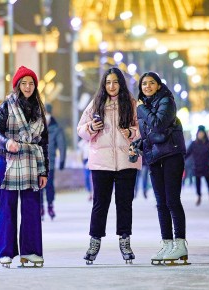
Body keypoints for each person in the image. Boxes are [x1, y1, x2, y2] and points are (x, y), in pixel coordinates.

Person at [77, 67, 141, 265]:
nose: (111, 86)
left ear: (121, 83)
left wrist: (132, 133)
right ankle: (94, 242)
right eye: (108, 82)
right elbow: (81, 129)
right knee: (100, 204)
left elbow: (142, 129)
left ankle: (125, 241)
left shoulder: (131, 104)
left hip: (126, 161)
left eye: (115, 82)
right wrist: (90, 128)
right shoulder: (96, 104)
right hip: (101, 162)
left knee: (124, 204)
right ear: (103, 85)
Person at [0, 66, 49, 268]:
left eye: (31, 83)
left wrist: (44, 171)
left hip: (32, 164)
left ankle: (30, 252)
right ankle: (5, 252)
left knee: (32, 207)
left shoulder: (39, 110)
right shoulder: (6, 106)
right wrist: (6, 142)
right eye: (23, 83)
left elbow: (44, 143)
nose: (27, 86)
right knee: (7, 207)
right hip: (8, 161)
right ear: (17, 85)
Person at [134, 72, 188, 266]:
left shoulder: (167, 101)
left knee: (172, 201)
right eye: (144, 84)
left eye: (151, 83)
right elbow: (151, 135)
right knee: (161, 203)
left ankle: (180, 244)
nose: (147, 86)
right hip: (155, 158)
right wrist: (139, 145)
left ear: (158, 85)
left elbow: (158, 125)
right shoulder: (145, 106)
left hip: (171, 156)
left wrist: (141, 111)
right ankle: (167, 244)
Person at [41, 103, 67, 221]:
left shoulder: (56, 129)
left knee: (49, 185)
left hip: (49, 162)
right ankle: (40, 207)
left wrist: (62, 161)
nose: (46, 116)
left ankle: (50, 205)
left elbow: (62, 145)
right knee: (38, 186)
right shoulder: (36, 127)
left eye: (47, 114)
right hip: (36, 162)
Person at [185, 125, 209, 206]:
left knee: (208, 181)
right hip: (197, 166)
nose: (200, 135)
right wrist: (181, 159)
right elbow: (187, 153)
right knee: (197, 183)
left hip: (206, 166)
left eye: (202, 133)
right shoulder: (194, 144)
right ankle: (198, 196)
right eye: (199, 133)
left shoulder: (208, 143)